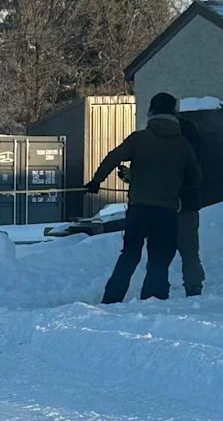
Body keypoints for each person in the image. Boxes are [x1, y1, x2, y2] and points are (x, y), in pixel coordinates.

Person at [84, 92, 202, 303]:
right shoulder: (182, 144)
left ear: (151, 113)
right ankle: (153, 298)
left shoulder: (139, 139)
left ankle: (112, 298)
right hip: (166, 210)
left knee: (129, 254)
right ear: (174, 113)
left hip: (138, 208)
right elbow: (195, 178)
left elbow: (113, 157)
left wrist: (96, 182)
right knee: (159, 257)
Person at [176, 112, 205, 297]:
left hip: (162, 206)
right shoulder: (193, 149)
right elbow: (196, 178)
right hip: (188, 205)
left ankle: (156, 289)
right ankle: (194, 287)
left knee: (159, 253)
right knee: (190, 252)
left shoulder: (165, 147)